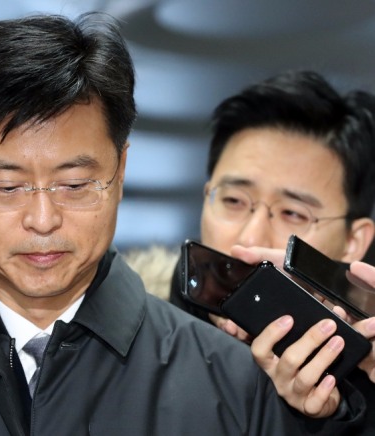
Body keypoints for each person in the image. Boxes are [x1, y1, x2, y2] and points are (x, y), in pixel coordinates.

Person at [0, 14, 367, 434]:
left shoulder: (239, 383)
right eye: (6, 187)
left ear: (120, 171)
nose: (42, 219)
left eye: (75, 184)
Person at [151, 70, 375, 431]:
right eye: (233, 200)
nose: (250, 236)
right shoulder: (129, 341)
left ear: (355, 241)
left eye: (293, 213)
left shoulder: (364, 381)